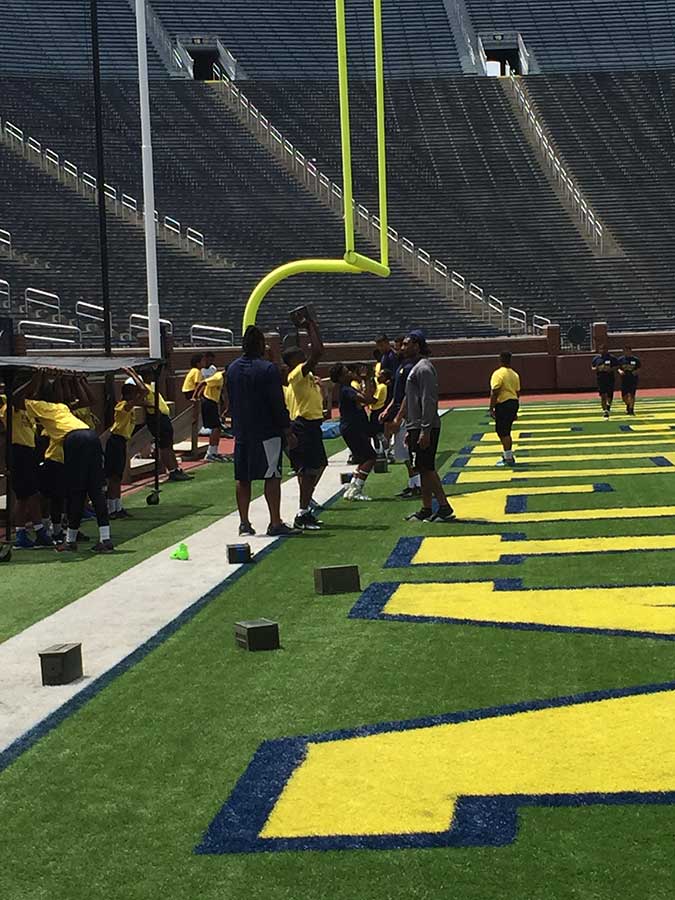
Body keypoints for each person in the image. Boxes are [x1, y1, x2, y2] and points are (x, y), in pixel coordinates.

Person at [19, 370, 113, 553]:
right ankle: (105, 538)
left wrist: (36, 378)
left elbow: (20, 398)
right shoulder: (62, 407)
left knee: (76, 491)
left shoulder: (35, 404)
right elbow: (62, 396)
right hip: (90, 435)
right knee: (95, 489)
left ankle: (70, 541)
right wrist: (63, 379)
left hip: (74, 439)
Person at [227, 325, 299, 537]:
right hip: (267, 431)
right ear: (260, 345)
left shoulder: (231, 369)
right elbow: (276, 402)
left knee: (243, 477)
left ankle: (244, 522)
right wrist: (287, 430)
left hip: (242, 431)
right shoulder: (268, 369)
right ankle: (275, 521)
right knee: (272, 475)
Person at [400, 331, 455, 523]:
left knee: (428, 467)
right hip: (417, 425)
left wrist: (424, 429)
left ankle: (444, 506)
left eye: (406, 344)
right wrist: (411, 428)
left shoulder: (423, 368)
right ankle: (426, 507)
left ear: (417, 345)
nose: (402, 347)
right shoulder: (417, 367)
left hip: (425, 426)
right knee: (422, 468)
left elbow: (428, 399)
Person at [283, 316, 327, 531]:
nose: (304, 357)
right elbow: (318, 352)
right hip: (304, 426)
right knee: (309, 469)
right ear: (293, 361)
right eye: (300, 356)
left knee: (317, 466)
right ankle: (302, 512)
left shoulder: (304, 376)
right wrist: (311, 326)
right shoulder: (296, 374)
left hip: (312, 425)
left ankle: (305, 504)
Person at [0, 393, 52, 548]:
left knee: (23, 497)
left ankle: (21, 534)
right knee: (31, 494)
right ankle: (39, 531)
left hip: (29, 453)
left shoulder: (26, 412)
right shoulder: (8, 411)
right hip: (19, 453)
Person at [126, 370, 193, 482]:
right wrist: (132, 373)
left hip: (163, 418)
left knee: (169, 445)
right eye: (150, 374)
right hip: (156, 419)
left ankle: (176, 469)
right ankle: (172, 471)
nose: (153, 376)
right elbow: (140, 394)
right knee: (164, 447)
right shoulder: (143, 388)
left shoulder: (151, 386)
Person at [330, 362, 376, 501]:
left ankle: (352, 487)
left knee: (363, 458)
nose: (350, 373)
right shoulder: (346, 390)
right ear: (341, 377)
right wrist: (367, 379)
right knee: (370, 457)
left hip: (353, 428)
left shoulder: (348, 388)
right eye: (346, 372)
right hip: (352, 428)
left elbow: (368, 398)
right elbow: (368, 399)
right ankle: (357, 489)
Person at [381, 353, 421, 497]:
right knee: (403, 453)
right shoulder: (401, 368)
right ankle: (413, 483)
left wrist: (399, 416)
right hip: (401, 411)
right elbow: (397, 395)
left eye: (403, 345)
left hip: (407, 414)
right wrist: (388, 409)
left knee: (408, 451)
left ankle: (418, 485)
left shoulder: (409, 368)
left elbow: (407, 395)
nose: (400, 349)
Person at [104, 379, 142, 519]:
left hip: (121, 442)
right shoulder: (122, 406)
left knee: (117, 477)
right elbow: (143, 391)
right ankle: (110, 509)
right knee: (113, 476)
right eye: (133, 393)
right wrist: (131, 374)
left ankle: (117, 507)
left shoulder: (129, 406)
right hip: (115, 441)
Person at [489, 352, 521, 467]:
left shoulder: (498, 374)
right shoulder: (514, 374)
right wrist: (515, 410)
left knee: (503, 431)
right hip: (513, 403)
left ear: (500, 360)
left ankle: (508, 457)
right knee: (505, 430)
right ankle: (507, 454)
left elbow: (495, 391)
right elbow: (517, 393)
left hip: (503, 403)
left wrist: (491, 408)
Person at [194, 367, 228, 462]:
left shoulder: (221, 379)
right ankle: (210, 454)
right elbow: (202, 383)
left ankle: (214, 452)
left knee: (217, 428)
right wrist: (195, 397)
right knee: (216, 428)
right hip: (208, 402)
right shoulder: (218, 377)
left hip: (213, 403)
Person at [592, 344, 619, 418]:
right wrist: (598, 368)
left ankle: (608, 405)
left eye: (604, 349)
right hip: (600, 378)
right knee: (603, 395)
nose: (603, 350)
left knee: (610, 393)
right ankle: (605, 410)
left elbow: (617, 366)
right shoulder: (596, 358)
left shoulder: (612, 358)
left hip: (609, 378)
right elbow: (593, 367)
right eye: (601, 349)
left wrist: (610, 369)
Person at [369, 367, 391, 458]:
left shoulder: (382, 387)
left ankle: (383, 451)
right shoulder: (380, 385)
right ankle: (381, 451)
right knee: (376, 433)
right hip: (376, 410)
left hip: (377, 410)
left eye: (381, 376)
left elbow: (374, 400)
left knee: (378, 433)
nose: (378, 376)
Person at [618, 345, 641, 415]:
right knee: (624, 396)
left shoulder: (635, 359)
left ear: (630, 351)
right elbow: (618, 368)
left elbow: (639, 368)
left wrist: (636, 371)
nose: (626, 352)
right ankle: (628, 405)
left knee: (632, 394)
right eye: (625, 351)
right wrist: (620, 371)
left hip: (633, 379)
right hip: (624, 379)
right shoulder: (620, 360)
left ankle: (631, 409)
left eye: (628, 351)